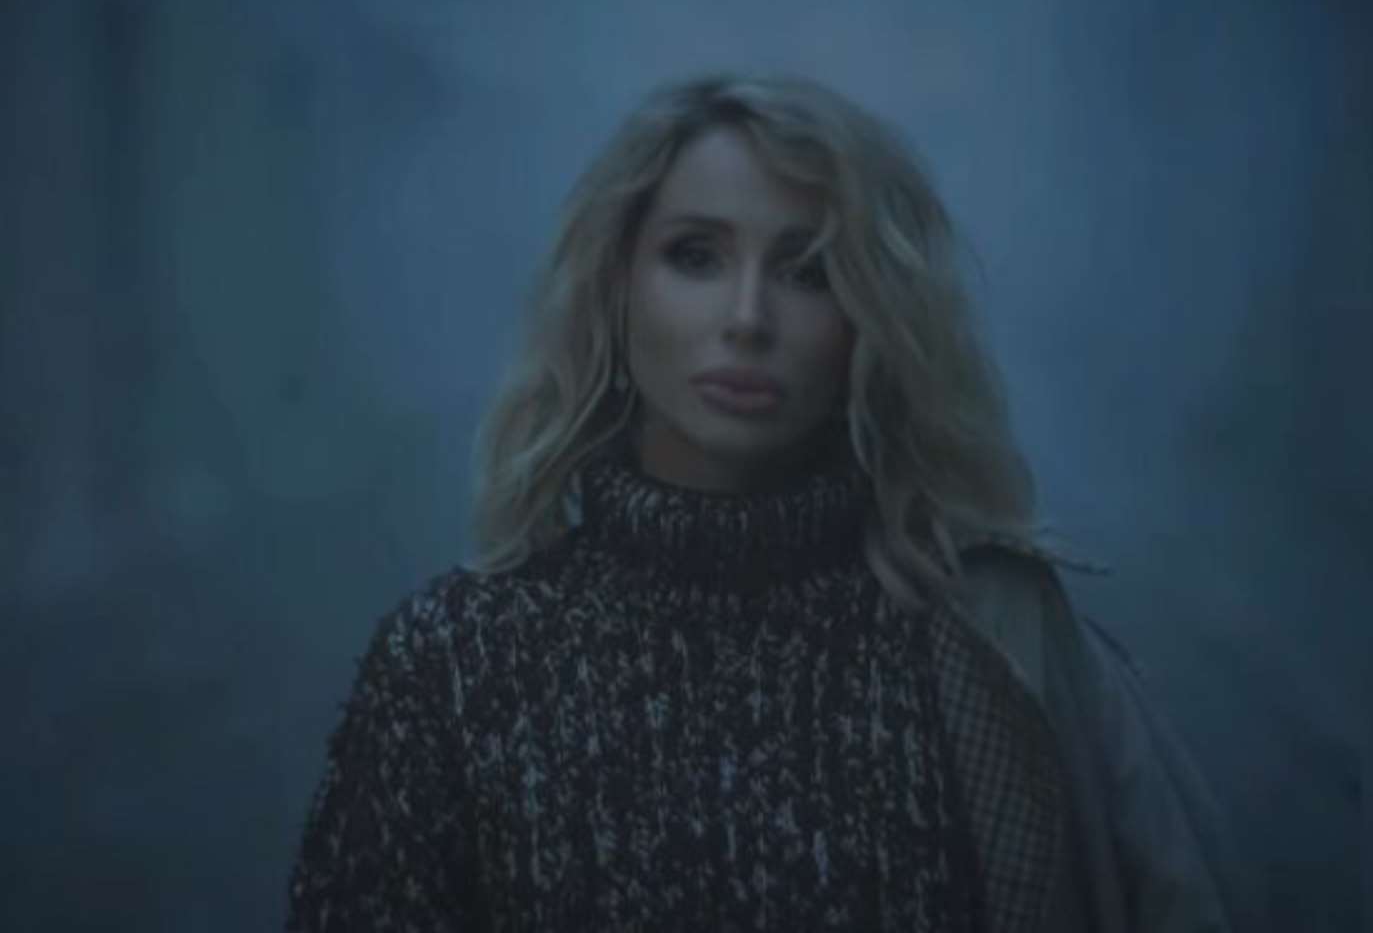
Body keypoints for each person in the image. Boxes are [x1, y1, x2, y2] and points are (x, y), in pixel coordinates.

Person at [285, 71, 1256, 932]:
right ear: (616, 291)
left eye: (807, 271)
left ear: (871, 318)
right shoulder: (453, 664)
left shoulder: (993, 641)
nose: (746, 319)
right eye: (695, 256)